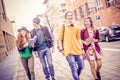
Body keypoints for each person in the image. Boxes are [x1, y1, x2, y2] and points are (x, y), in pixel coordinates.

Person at [57, 11, 84, 80]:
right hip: (68, 51)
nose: (70, 16)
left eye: (71, 15)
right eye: (68, 15)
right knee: (73, 67)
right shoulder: (63, 27)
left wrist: (82, 48)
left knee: (81, 66)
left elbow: (79, 39)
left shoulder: (77, 27)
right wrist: (61, 49)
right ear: (66, 17)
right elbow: (59, 39)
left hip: (77, 50)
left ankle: (76, 77)